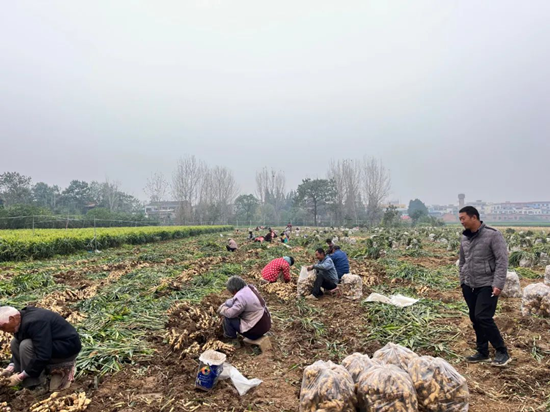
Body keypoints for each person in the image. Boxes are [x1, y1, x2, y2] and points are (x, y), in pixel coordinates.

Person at [459, 206, 510, 367]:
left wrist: (498, 283)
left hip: (487, 284)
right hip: (469, 284)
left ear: (474, 217)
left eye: (463, 218)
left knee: (483, 317)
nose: (461, 222)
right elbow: (462, 261)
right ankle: (482, 352)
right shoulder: (465, 238)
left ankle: (502, 351)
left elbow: (502, 261)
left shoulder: (492, 235)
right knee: (475, 318)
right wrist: (462, 279)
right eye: (460, 219)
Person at [0, 306, 82, 390]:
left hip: (65, 348)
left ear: (12, 319)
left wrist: (20, 377)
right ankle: (17, 376)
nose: (3, 330)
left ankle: (35, 386)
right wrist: (9, 369)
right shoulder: (20, 319)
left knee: (26, 345)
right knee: (15, 342)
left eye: (2, 326)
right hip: (49, 345)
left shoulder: (35, 322)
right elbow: (20, 340)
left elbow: (43, 354)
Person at [218, 276, 271, 341]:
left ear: (234, 290)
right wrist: (226, 303)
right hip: (265, 324)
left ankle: (231, 339)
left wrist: (222, 309)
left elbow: (230, 314)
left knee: (228, 318)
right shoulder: (250, 288)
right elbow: (235, 300)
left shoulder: (240, 297)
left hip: (255, 331)